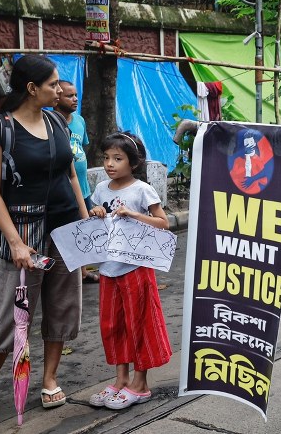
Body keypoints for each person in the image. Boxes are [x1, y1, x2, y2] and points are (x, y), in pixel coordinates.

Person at [0, 55, 87, 426]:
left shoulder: (56, 121)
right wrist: (16, 242)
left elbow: (70, 175)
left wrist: (85, 223)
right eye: (52, 84)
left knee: (64, 306)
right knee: (12, 314)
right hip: (26, 234)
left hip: (66, 229)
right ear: (32, 89)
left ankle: (50, 378)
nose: (60, 90)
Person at [87, 131, 172, 410]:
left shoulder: (141, 190)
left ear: (133, 163)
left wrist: (134, 213)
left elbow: (163, 223)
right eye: (106, 158)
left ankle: (140, 384)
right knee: (113, 325)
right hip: (108, 269)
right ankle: (120, 380)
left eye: (117, 158)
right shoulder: (101, 188)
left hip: (136, 267)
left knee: (139, 323)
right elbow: (96, 224)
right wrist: (96, 212)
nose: (110, 164)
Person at [56, 80, 99, 283]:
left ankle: (82, 272)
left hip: (83, 186)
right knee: (71, 230)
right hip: (65, 189)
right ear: (57, 98)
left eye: (75, 95)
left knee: (84, 228)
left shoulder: (80, 121)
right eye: (69, 96)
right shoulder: (51, 122)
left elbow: (82, 147)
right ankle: (71, 274)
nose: (74, 99)